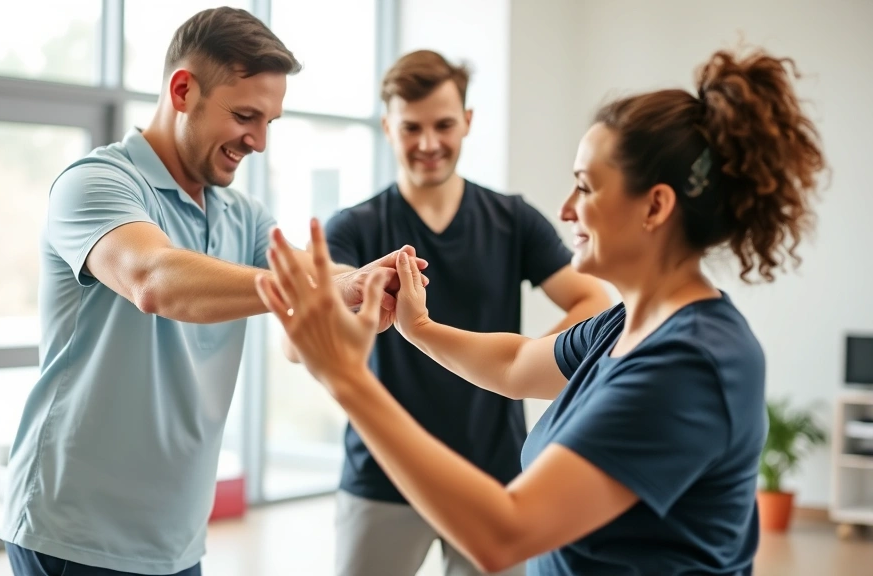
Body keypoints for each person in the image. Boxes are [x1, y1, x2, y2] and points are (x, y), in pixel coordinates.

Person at [259, 46, 825, 575]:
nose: (566, 208)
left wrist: (348, 381)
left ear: (655, 206)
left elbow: (505, 532)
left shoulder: (690, 362)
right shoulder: (625, 324)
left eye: (585, 187)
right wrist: (421, 329)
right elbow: (515, 364)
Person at [0, 8, 425, 576]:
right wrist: (317, 285)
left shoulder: (241, 215)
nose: (259, 141)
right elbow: (154, 279)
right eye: (246, 115)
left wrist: (357, 286)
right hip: (73, 532)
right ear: (182, 90)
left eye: (270, 121)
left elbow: (301, 270)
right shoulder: (96, 184)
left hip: (175, 540)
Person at [315, 50, 610, 576]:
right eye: (412, 128)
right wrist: (344, 291)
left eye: (444, 125)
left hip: (492, 473)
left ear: (467, 122)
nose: (429, 143)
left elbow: (592, 300)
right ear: (387, 127)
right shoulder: (354, 226)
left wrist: (526, 360)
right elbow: (321, 301)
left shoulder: (512, 219)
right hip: (384, 475)